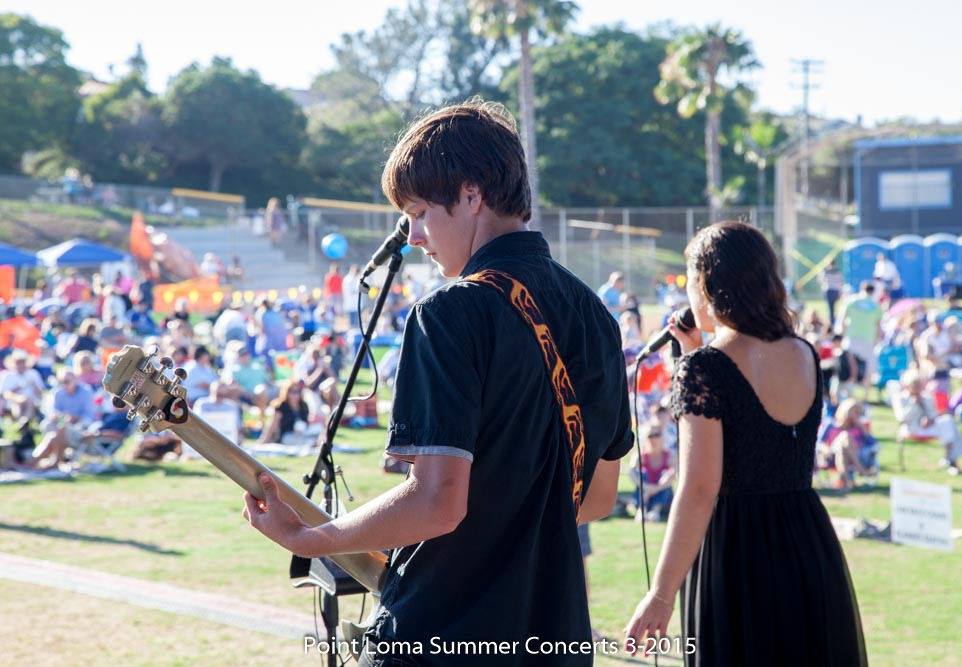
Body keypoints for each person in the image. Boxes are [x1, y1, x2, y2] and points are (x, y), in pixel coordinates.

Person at [241, 100, 633, 665]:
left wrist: (309, 539)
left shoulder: (449, 311)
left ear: (472, 195)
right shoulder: (595, 314)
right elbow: (596, 497)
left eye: (419, 211)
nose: (413, 236)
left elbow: (438, 503)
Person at [624, 221, 866, 665]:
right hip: (806, 540)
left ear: (707, 283)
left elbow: (699, 489)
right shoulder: (803, 352)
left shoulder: (705, 369)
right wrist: (696, 353)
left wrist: (661, 593)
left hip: (737, 553)